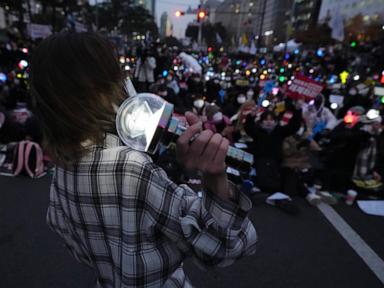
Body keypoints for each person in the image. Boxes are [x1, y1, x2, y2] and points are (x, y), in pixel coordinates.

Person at [30, 32, 256, 288]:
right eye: (117, 72)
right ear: (101, 86)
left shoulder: (63, 165)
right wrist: (214, 177)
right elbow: (224, 247)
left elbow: (65, 232)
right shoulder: (130, 168)